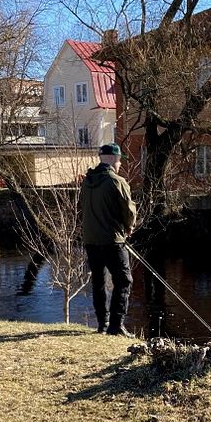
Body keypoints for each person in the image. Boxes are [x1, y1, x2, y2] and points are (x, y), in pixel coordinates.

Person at [80, 143, 137, 337]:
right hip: (112, 240)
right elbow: (129, 211)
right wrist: (128, 228)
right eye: (120, 160)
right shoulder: (116, 181)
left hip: (90, 239)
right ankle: (116, 326)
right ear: (113, 159)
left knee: (98, 281)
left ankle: (102, 324)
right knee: (124, 280)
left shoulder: (87, 181)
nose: (120, 163)